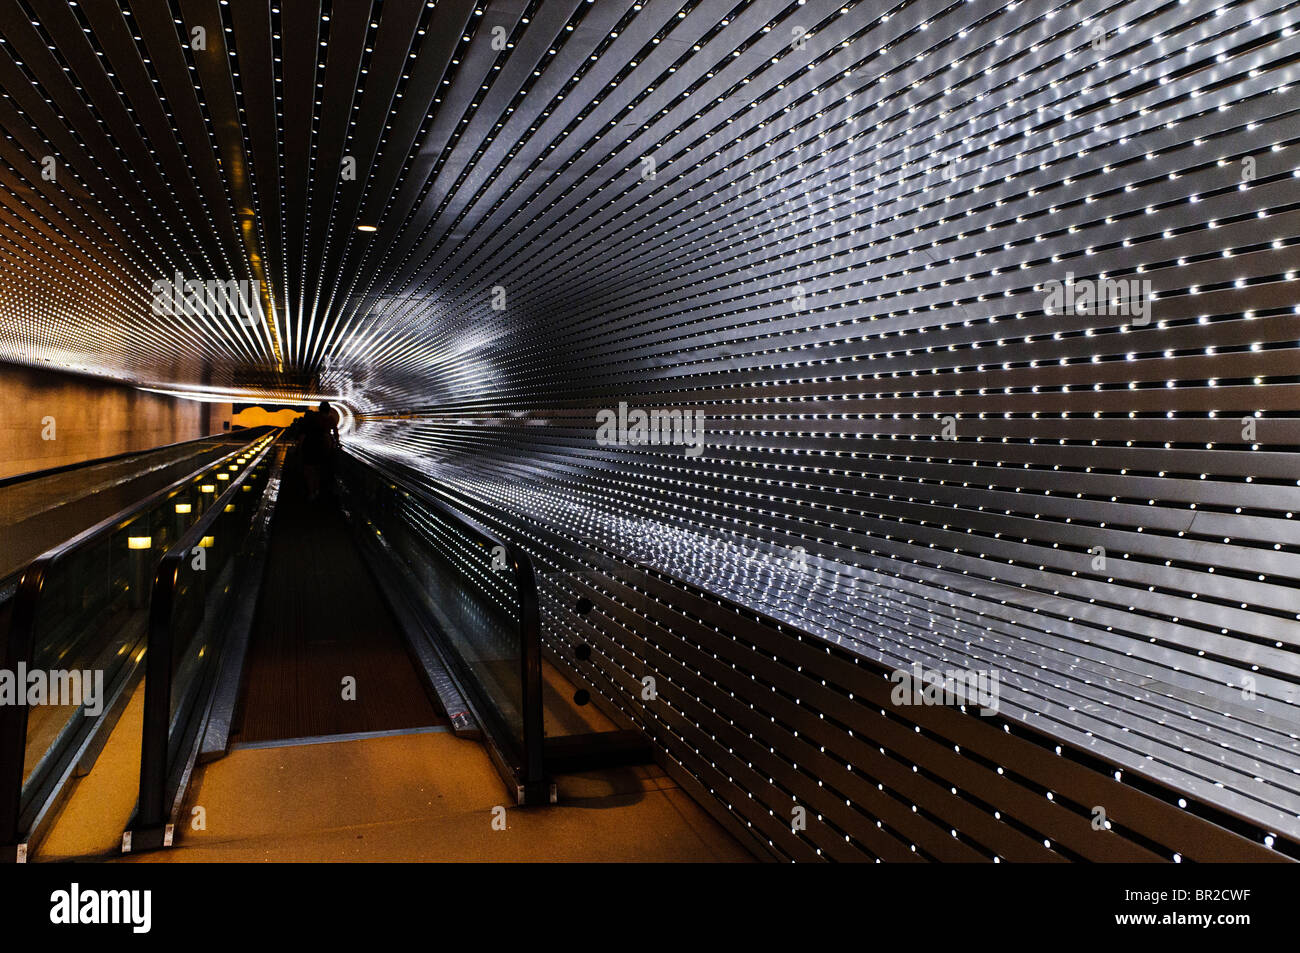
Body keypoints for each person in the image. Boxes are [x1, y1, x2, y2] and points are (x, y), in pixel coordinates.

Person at [301, 401, 340, 502]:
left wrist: (299, 446)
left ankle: (311, 492)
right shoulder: (330, 419)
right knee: (318, 470)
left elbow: (305, 432)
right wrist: (337, 442)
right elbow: (335, 432)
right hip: (324, 446)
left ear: (319, 409)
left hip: (311, 445)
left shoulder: (314, 417)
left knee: (309, 470)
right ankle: (317, 490)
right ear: (328, 409)